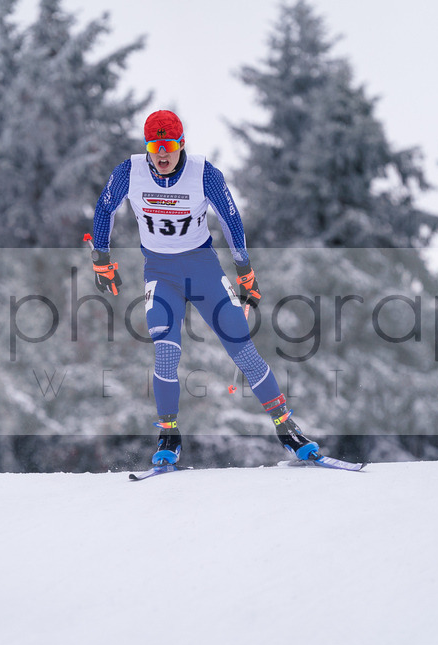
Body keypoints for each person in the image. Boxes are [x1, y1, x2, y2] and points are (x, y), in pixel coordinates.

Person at [90, 109, 321, 466]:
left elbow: (230, 219)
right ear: (147, 147)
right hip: (160, 272)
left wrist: (245, 269)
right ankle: (168, 434)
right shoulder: (129, 172)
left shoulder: (204, 174)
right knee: (165, 348)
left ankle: (286, 427)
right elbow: (105, 210)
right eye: (155, 146)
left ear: (182, 144)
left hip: (203, 270)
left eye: (168, 146)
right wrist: (100, 260)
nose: (162, 154)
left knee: (241, 345)